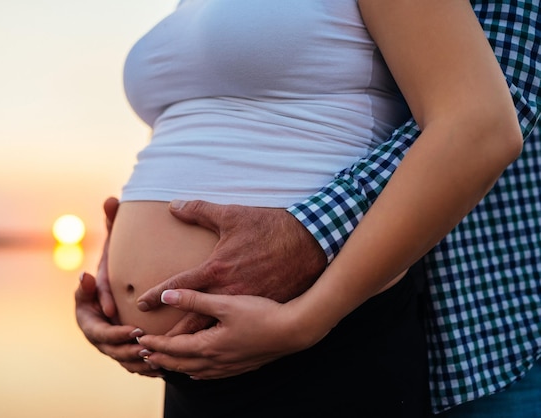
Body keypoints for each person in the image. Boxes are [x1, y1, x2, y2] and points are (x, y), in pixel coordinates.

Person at [75, 0, 532, 416]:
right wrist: (114, 275)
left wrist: (304, 320)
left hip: (320, 340)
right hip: (189, 372)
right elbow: (203, 126)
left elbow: (481, 125)